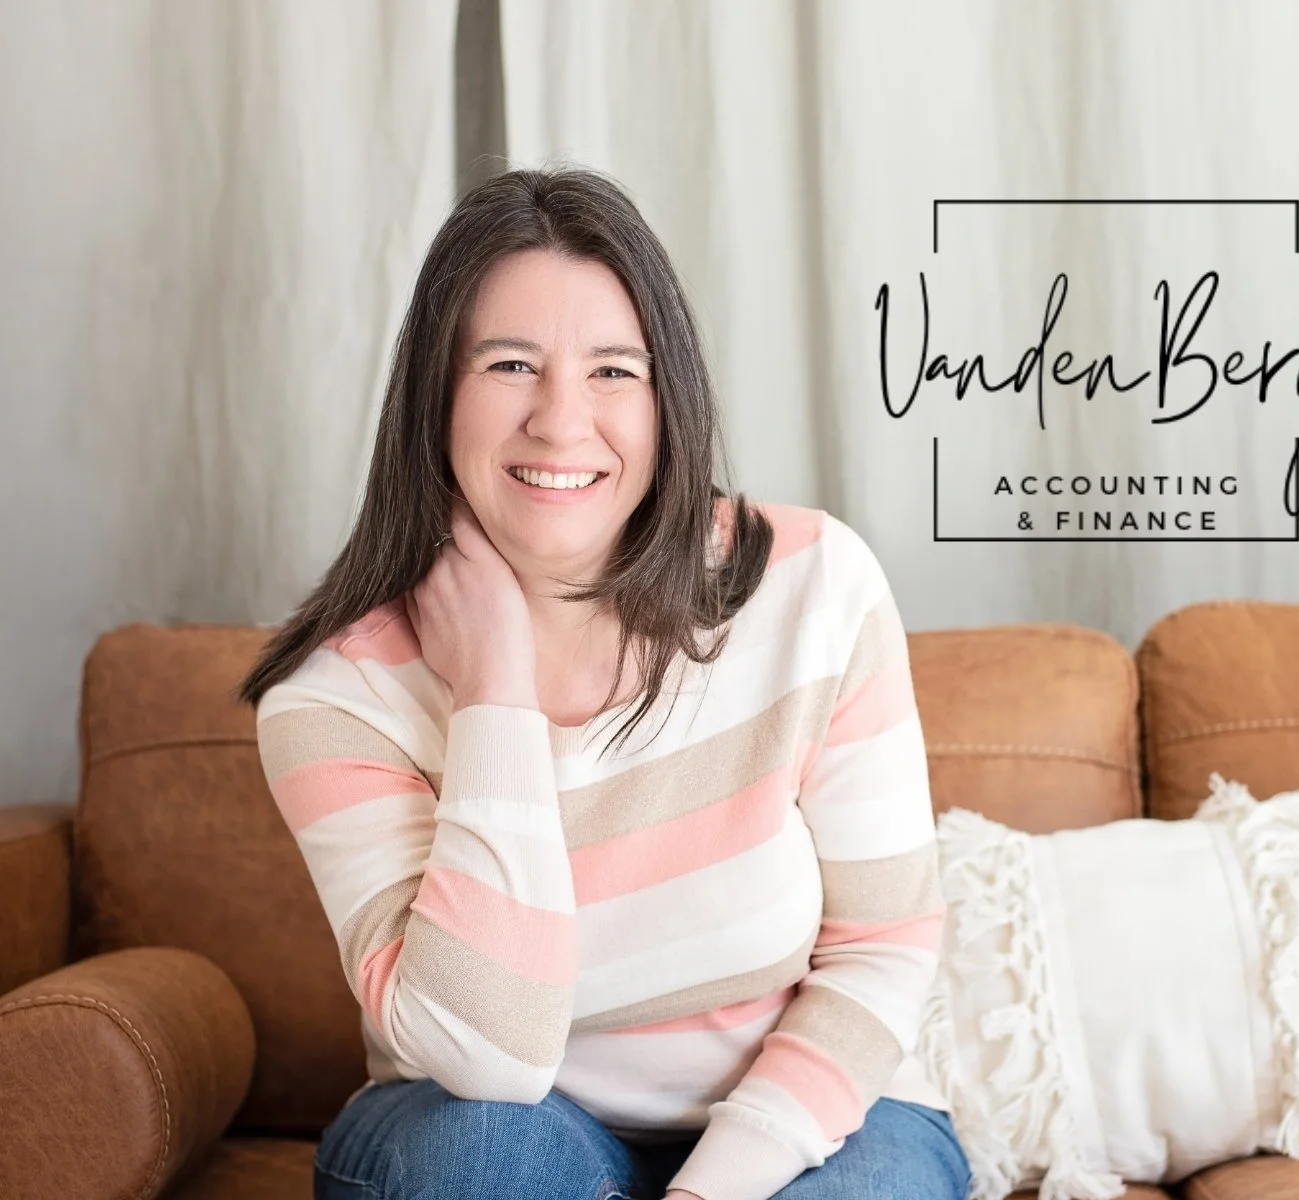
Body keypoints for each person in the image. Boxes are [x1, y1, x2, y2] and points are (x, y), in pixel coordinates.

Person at [236, 165, 970, 1200]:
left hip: (811, 1121)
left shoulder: (813, 587)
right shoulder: (335, 700)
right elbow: (488, 1058)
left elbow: (885, 947)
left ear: (669, 398)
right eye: (509, 365)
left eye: (614, 371)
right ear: (433, 395)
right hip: (502, 1125)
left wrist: (713, 1188)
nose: (561, 420)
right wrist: (495, 686)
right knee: (475, 1161)